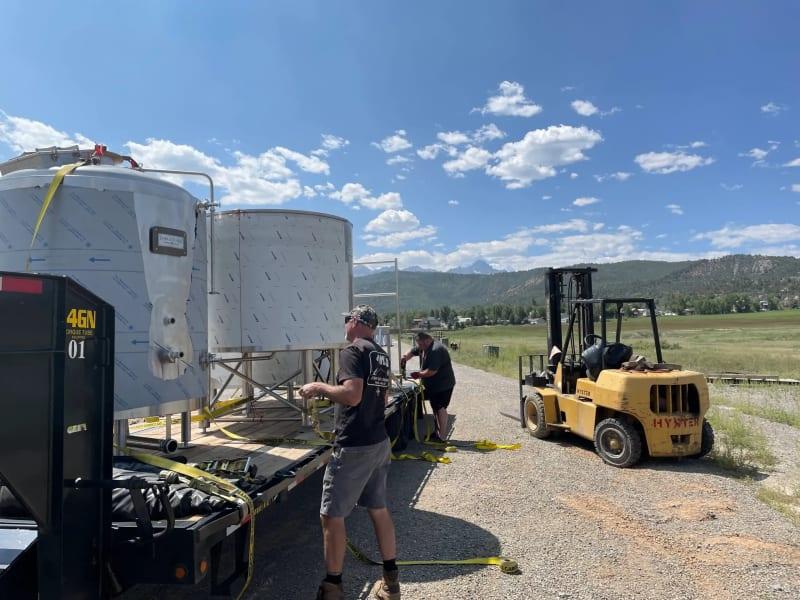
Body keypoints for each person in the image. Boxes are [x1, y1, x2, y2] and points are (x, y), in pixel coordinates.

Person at [299, 305, 400, 600]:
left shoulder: (352, 351)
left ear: (355, 322)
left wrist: (318, 386)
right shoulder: (379, 353)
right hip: (378, 441)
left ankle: (332, 587)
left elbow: (353, 395)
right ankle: (391, 583)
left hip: (354, 444)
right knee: (378, 509)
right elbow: (380, 397)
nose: (345, 325)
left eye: (347, 320)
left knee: (331, 516)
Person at [399, 331, 456, 443]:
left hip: (443, 385)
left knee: (440, 408)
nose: (419, 347)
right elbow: (413, 351)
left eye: (420, 344)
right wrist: (405, 357)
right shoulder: (425, 346)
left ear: (426, 341)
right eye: (419, 344)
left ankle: (442, 436)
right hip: (435, 385)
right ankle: (437, 432)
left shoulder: (435, 350)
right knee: (435, 408)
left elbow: (432, 371)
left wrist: (418, 374)